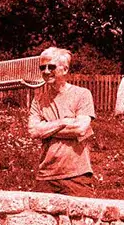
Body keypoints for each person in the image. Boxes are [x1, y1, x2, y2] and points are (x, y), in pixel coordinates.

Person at [26, 47, 95, 195]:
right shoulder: (38, 99)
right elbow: (33, 131)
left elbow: (80, 128)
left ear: (64, 70)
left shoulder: (82, 95)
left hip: (76, 175)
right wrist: (64, 122)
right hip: (46, 175)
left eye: (51, 67)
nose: (45, 71)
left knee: (80, 217)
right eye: (42, 67)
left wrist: (46, 129)